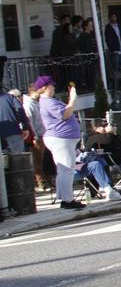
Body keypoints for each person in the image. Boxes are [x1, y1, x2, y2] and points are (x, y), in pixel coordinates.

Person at [36, 75, 86, 210]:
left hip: (61, 139)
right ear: (46, 87)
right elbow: (65, 115)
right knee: (67, 169)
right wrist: (73, 99)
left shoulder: (48, 101)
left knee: (63, 169)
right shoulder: (48, 102)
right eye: (52, 85)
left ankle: (63, 197)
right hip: (61, 139)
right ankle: (67, 200)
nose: (54, 87)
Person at [22, 86, 54, 190]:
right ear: (32, 92)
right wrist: (35, 136)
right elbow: (30, 121)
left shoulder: (38, 103)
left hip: (44, 135)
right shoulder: (29, 105)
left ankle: (49, 180)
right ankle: (41, 183)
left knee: (47, 160)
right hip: (37, 136)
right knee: (38, 160)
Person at [104, 12, 121, 79]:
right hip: (115, 50)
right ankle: (116, 81)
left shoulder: (119, 26)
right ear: (110, 18)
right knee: (115, 66)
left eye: (115, 17)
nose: (114, 18)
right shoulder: (108, 27)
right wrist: (112, 48)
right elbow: (108, 39)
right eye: (113, 17)